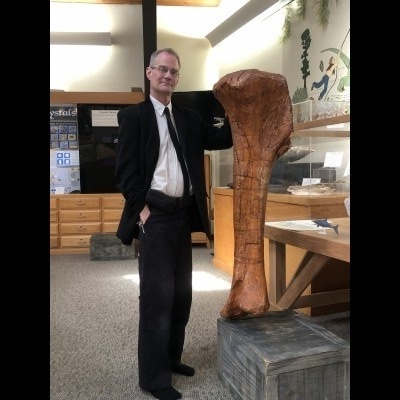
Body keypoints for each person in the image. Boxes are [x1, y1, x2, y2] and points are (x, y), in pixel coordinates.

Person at [115, 48, 233, 400]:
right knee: (157, 298)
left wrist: (234, 106)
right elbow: (124, 173)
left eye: (174, 71)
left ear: (178, 78)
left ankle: (171, 358)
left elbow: (221, 139)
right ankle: (153, 378)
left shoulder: (189, 117)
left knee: (181, 295)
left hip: (183, 217)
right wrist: (143, 211)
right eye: (162, 70)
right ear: (149, 73)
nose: (168, 75)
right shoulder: (134, 117)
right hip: (156, 217)